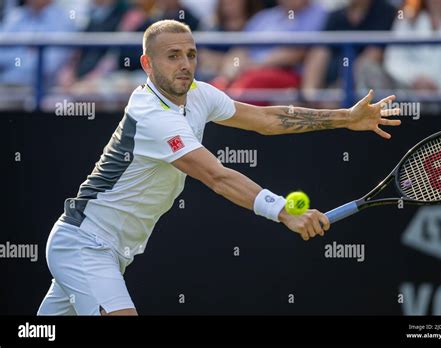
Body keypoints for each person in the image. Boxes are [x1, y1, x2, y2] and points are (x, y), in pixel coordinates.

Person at [37, 19, 401, 316]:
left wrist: (345, 117)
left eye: (191, 54)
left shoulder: (198, 93)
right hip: (86, 245)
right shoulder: (150, 115)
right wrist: (284, 211)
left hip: (111, 251)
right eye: (173, 56)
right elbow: (217, 176)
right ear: (147, 65)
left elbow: (266, 118)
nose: (185, 64)